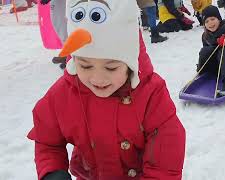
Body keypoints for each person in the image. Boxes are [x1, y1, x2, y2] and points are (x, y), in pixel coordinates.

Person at [27, 1, 186, 180]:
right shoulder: (64, 93)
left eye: (111, 68)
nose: (98, 79)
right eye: (85, 66)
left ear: (130, 63)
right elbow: (47, 140)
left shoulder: (151, 94)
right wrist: (52, 172)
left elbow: (165, 160)